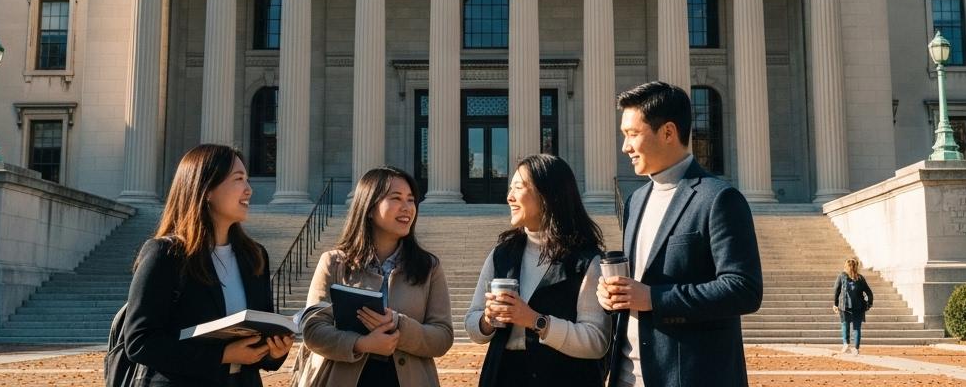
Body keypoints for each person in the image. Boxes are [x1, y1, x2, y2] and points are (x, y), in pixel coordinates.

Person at [597, 81, 763, 387]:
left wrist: (654, 298)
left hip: (689, 376)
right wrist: (613, 296)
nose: (625, 147)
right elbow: (640, 285)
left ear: (668, 132)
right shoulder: (635, 201)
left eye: (632, 134)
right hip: (626, 377)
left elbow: (744, 289)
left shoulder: (719, 199)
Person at [124, 144, 293, 386]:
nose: (248, 190)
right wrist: (222, 356)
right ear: (206, 189)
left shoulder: (255, 257)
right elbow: (140, 341)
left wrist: (275, 351)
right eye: (238, 179)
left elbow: (258, 342)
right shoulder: (166, 254)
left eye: (247, 179)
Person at [466, 154, 612, 387]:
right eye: (510, 188)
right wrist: (487, 319)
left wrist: (536, 321)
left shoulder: (585, 261)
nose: (509, 197)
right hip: (503, 376)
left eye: (518, 188)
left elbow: (596, 341)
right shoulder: (501, 254)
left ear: (547, 195)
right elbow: (472, 323)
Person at [298, 167, 453, 387]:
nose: (407, 207)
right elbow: (312, 329)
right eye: (396, 198)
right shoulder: (334, 263)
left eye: (411, 200)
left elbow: (443, 337)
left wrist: (398, 325)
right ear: (369, 207)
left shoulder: (429, 267)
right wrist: (362, 343)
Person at [831, 257, 873, 355]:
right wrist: (868, 304)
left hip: (844, 305)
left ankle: (846, 345)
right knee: (856, 328)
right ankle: (856, 348)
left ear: (845, 266)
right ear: (856, 267)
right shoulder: (860, 278)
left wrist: (835, 304)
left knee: (845, 325)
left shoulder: (842, 276)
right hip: (858, 306)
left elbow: (836, 291)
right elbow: (869, 293)